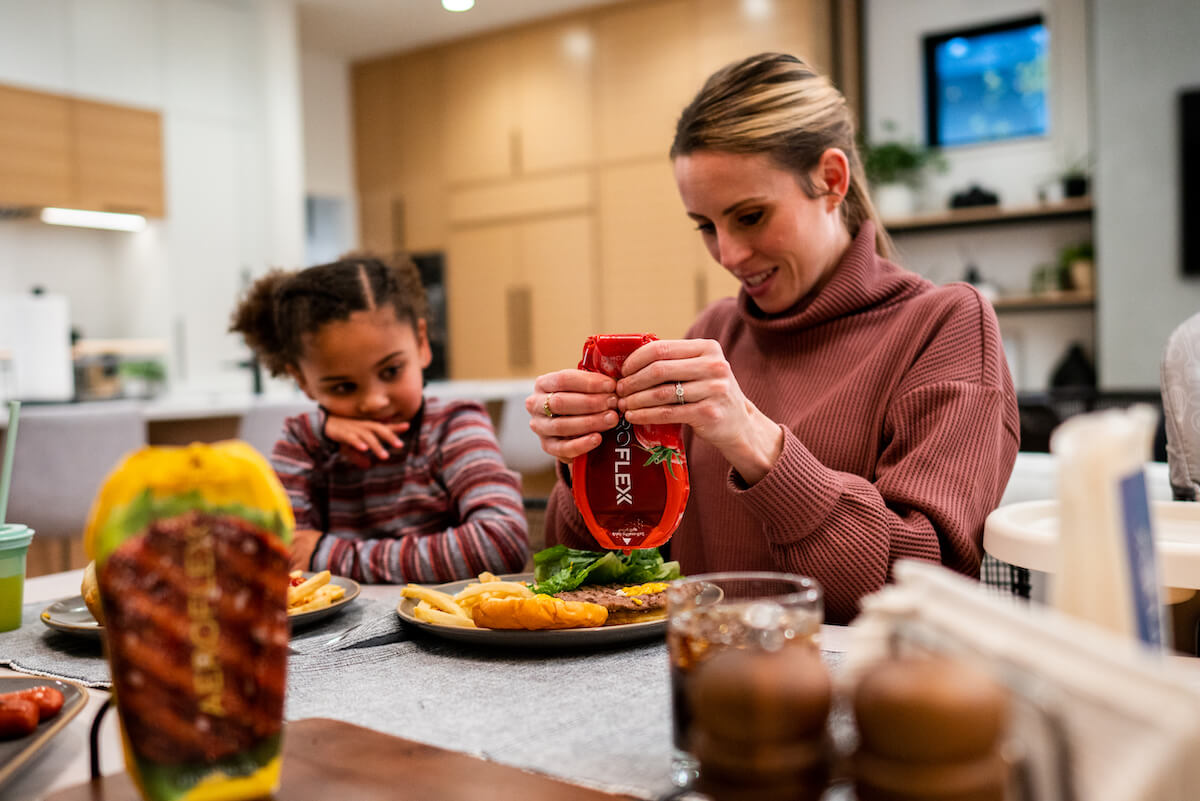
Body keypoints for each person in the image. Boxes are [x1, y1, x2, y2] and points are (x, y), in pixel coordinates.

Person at [526, 53, 1019, 624]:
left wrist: (757, 443)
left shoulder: (945, 325)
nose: (729, 255)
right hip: (690, 687)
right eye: (706, 226)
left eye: (751, 216)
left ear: (831, 181)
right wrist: (589, 461)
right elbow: (609, 577)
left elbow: (922, 593)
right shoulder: (713, 333)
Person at [230, 254, 529, 583]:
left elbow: (502, 545)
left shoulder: (454, 426)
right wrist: (308, 437)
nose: (374, 402)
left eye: (391, 371)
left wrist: (326, 554)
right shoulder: (306, 443)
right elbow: (278, 558)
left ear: (421, 342)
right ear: (302, 380)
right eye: (344, 387)